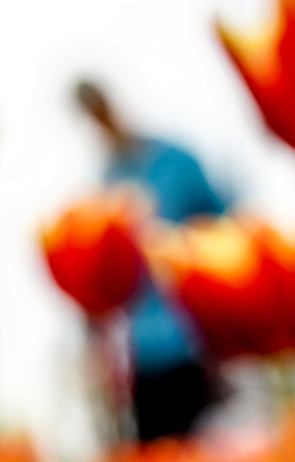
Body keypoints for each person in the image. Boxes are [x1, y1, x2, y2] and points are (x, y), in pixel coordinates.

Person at [75, 79, 230, 441]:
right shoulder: (109, 183)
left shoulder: (177, 163)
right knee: (154, 453)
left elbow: (224, 237)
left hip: (191, 341)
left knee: (197, 450)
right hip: (141, 355)